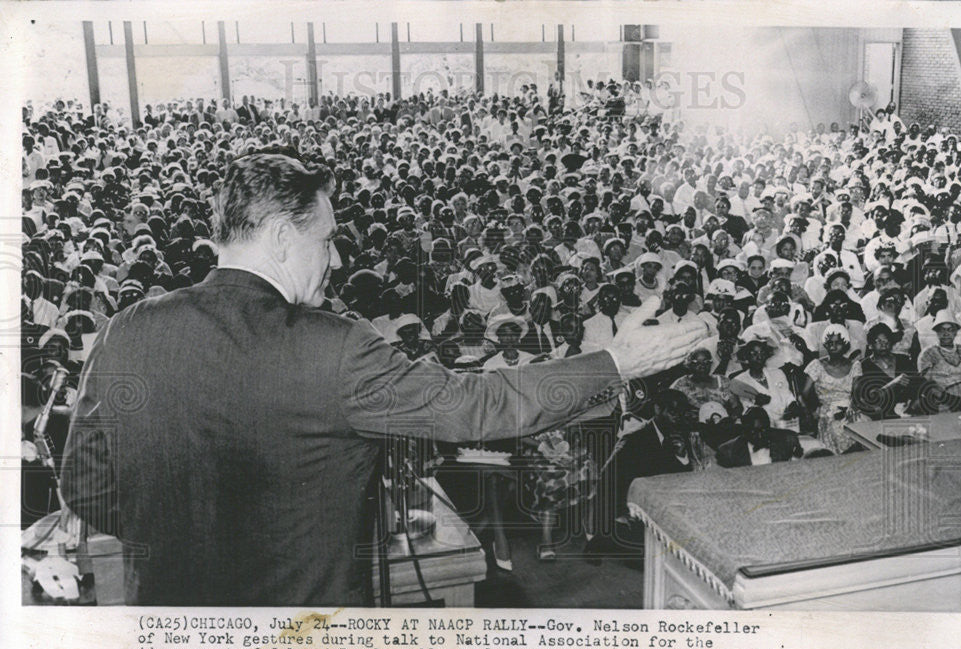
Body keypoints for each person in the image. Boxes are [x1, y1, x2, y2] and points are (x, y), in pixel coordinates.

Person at [59, 153, 702, 606]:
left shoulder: (129, 329)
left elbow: (84, 486)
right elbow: (477, 407)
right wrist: (616, 363)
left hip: (170, 637)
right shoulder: (335, 348)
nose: (337, 260)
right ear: (284, 237)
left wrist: (190, 533)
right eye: (329, 240)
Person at [802, 325, 861, 453]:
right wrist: (814, 410)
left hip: (851, 408)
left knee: (863, 427)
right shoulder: (816, 365)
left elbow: (856, 393)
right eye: (829, 343)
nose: (833, 346)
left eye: (838, 343)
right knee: (837, 428)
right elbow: (805, 393)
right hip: (827, 411)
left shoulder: (855, 365)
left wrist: (852, 407)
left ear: (845, 344)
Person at [715, 407, 803, 468]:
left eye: (763, 430)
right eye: (754, 432)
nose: (760, 436)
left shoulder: (788, 440)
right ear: (745, 433)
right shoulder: (728, 451)